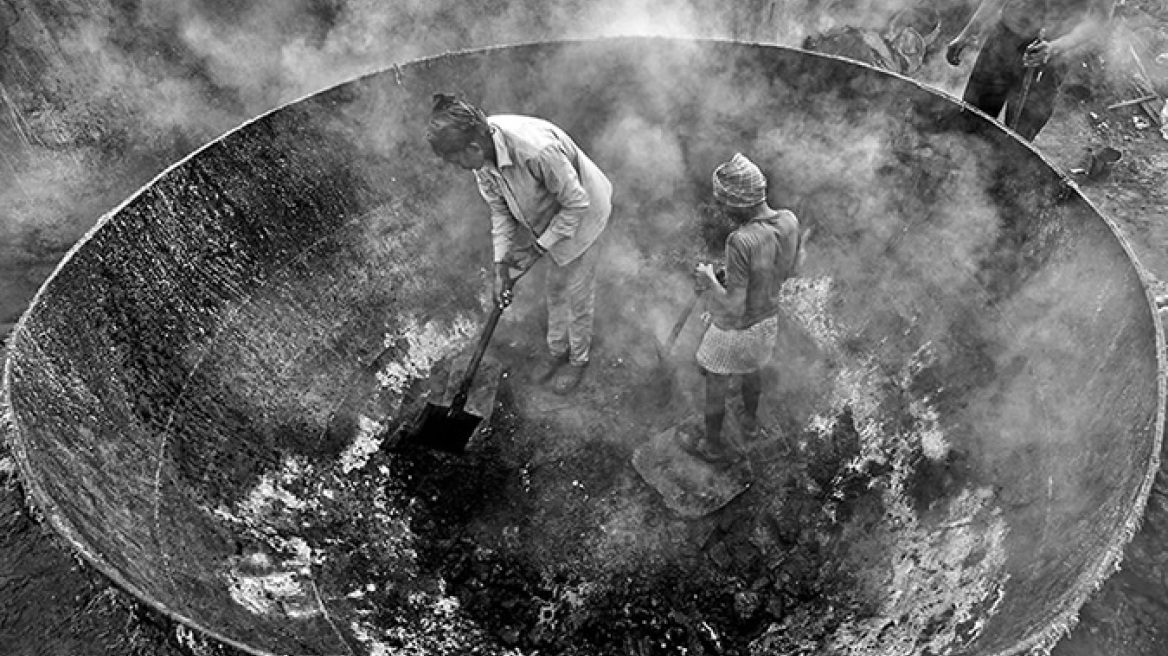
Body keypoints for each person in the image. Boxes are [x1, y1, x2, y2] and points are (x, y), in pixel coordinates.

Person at [425, 94, 613, 394]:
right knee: (555, 288)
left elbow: (577, 204)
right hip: (551, 218)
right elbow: (499, 211)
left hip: (584, 215)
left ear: (473, 147)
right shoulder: (482, 158)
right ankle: (556, 352)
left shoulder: (537, 151)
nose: (458, 167)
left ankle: (577, 360)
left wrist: (537, 249)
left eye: (456, 160)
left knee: (577, 294)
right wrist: (501, 267)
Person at [686, 153, 802, 463]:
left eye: (723, 203)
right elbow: (786, 268)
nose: (721, 209)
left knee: (715, 379)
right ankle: (750, 426)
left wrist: (709, 279)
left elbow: (733, 308)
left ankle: (711, 446)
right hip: (767, 323)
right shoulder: (789, 220)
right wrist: (740, 275)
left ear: (739, 202)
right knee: (753, 370)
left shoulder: (741, 240)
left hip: (736, 331)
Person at [945, 0, 1115, 141]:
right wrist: (968, 33)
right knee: (971, 120)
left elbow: (1100, 17)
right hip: (1004, 39)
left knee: (1019, 140)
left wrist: (1055, 48)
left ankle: (1003, 177)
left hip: (1050, 57)